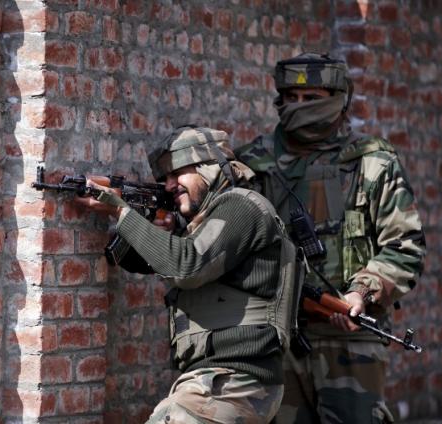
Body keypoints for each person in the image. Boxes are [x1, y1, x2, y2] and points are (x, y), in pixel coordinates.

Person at [235, 53, 426, 423]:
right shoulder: (252, 164)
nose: (299, 107)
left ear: (339, 99)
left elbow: (405, 246)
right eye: (291, 98)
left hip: (351, 341)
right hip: (276, 338)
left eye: (312, 98)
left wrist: (361, 293)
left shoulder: (372, 163)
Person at [76, 126, 303, 423]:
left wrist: (121, 213)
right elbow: (157, 260)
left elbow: (187, 266)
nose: (169, 185)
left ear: (210, 168)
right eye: (164, 178)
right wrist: (141, 225)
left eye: (178, 173)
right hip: (220, 380)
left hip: (234, 381)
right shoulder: (203, 224)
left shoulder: (242, 205)